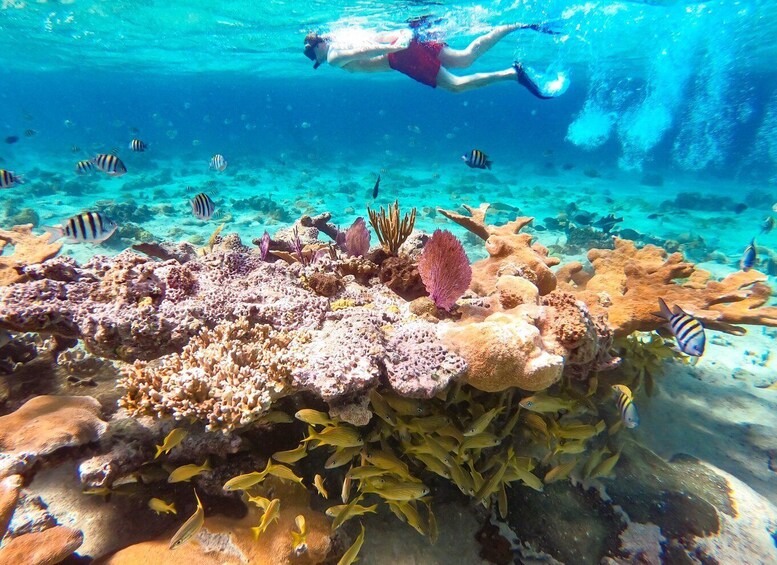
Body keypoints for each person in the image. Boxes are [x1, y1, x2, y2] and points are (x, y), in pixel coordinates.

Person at [303, 17, 568, 98]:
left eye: (315, 56)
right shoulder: (342, 37)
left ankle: (512, 74)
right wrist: (404, 38)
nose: (320, 61)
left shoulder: (335, 54)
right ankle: (516, 25)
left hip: (402, 56)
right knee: (465, 57)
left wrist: (398, 47)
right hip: (407, 42)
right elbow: (371, 42)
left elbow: (365, 51)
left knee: (455, 85)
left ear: (318, 48)